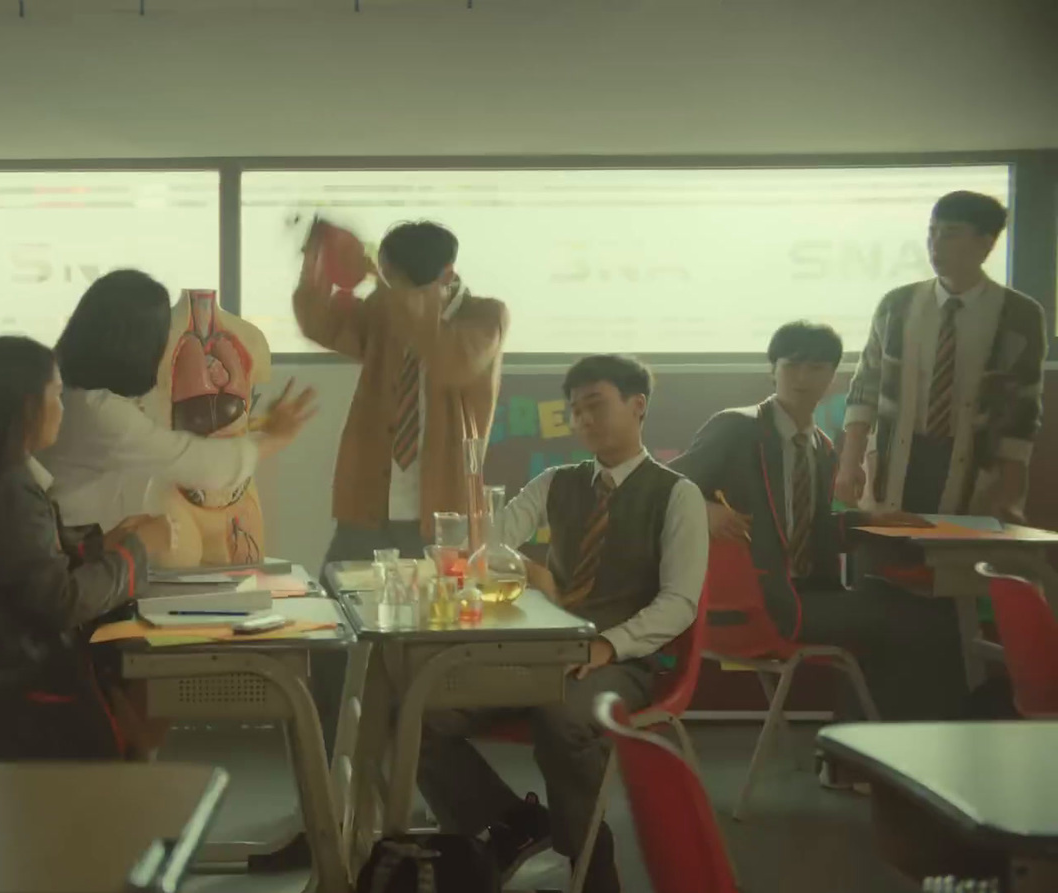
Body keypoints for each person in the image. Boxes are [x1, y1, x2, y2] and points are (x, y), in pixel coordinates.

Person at [417, 355, 706, 892]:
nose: (583, 421)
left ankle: (593, 867)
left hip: (626, 659)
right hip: (546, 650)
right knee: (419, 709)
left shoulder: (676, 495)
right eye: (574, 411)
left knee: (561, 715)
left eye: (595, 405)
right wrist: (484, 535)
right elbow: (488, 540)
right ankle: (510, 825)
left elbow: (679, 603)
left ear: (638, 406)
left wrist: (607, 646)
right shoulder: (555, 482)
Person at [671, 321, 967, 722]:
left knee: (914, 612)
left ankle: (853, 754)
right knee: (917, 620)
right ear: (772, 369)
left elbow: (811, 531)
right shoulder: (737, 428)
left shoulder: (821, 447)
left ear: (833, 378)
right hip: (760, 605)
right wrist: (704, 509)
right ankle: (871, 753)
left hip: (806, 593)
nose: (802, 378)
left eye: (816, 368)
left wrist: (872, 520)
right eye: (792, 366)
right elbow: (658, 489)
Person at [0, 336, 170, 762]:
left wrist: (103, 545)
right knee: (133, 700)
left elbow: (27, 566)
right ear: (27, 406)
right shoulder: (12, 492)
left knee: (128, 699)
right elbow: (59, 602)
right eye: (57, 395)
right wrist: (137, 552)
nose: (62, 409)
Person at [40, 269, 317, 533]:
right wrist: (275, 437)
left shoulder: (68, 389)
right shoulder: (98, 411)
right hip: (72, 553)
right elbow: (198, 464)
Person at [296, 221, 509, 564]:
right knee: (338, 603)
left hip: (442, 511)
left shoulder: (484, 315)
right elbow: (321, 324)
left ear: (445, 275)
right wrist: (316, 262)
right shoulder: (384, 309)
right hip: (368, 504)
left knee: (435, 611)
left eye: (395, 280)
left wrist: (410, 304)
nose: (386, 288)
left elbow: (450, 362)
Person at [836, 191, 1046, 519]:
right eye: (932, 232)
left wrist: (1010, 495)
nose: (935, 244)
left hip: (973, 462)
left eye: (950, 234)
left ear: (986, 243)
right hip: (896, 456)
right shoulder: (898, 305)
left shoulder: (1019, 315)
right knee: (886, 558)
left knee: (954, 561)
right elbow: (865, 388)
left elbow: (1022, 411)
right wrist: (848, 465)